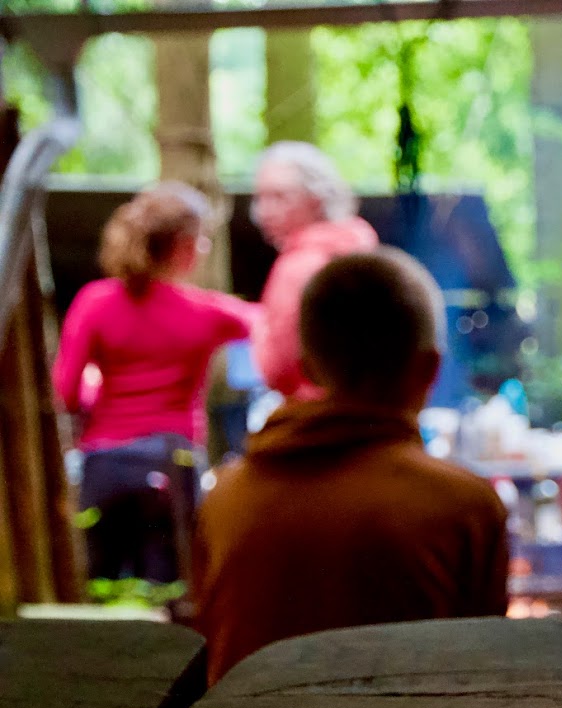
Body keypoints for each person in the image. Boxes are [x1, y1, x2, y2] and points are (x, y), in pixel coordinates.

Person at [192, 247, 509, 684]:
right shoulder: (464, 507)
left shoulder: (224, 499)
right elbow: (482, 673)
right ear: (429, 368)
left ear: (308, 368)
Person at [52, 182, 257, 585]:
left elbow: (65, 391)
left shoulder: (94, 301)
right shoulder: (209, 312)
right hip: (172, 465)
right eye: (201, 240)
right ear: (183, 245)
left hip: (104, 466)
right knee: (174, 588)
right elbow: (277, 330)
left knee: (102, 586)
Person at [249, 140, 379, 399]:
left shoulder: (298, 267)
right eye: (260, 197)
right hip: (370, 410)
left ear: (316, 199)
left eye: (279, 197)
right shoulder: (364, 252)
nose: (263, 211)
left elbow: (278, 369)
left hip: (315, 417)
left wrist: (260, 331)